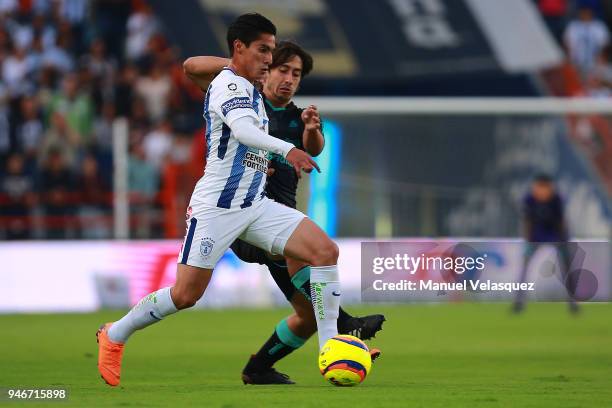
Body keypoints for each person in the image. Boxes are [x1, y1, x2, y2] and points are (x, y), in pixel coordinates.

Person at [97, 13, 344, 387]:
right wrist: (287, 150)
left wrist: (276, 156)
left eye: (272, 51)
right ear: (239, 48)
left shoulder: (253, 89)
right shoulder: (229, 85)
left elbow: (249, 144)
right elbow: (243, 130)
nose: (268, 59)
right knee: (185, 294)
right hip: (216, 209)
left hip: (255, 206)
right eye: (262, 50)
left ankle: (332, 349)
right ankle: (114, 334)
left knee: (324, 251)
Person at [183, 40, 385, 385]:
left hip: (277, 219)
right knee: (301, 262)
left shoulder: (295, 117)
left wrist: (311, 131)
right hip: (242, 218)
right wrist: (237, 63)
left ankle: (258, 369)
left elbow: (313, 151)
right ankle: (344, 325)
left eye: (296, 74)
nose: (289, 79)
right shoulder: (243, 100)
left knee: (307, 316)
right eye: (282, 69)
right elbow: (191, 66)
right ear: (266, 68)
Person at [513, 174, 579, 314]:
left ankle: (573, 302)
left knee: (567, 267)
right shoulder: (529, 200)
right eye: (539, 187)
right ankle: (519, 301)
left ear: (550, 187)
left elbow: (561, 221)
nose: (542, 191)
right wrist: (527, 239)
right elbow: (527, 220)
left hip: (556, 236)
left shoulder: (556, 199)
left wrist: (563, 239)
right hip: (535, 237)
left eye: (545, 187)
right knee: (525, 266)